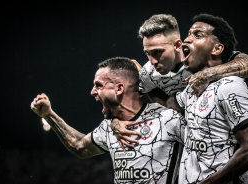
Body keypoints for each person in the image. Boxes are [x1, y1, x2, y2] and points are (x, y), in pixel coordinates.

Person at [111, 14, 248, 153]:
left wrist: (207, 73)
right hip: (188, 136)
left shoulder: (200, 59)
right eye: (148, 53)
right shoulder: (147, 74)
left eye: (158, 52)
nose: (152, 61)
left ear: (178, 45)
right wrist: (115, 123)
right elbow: (123, 106)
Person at [30, 57, 188, 184]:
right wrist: (48, 115)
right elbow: (79, 147)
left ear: (119, 89)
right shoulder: (108, 126)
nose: (92, 92)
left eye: (98, 85)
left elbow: (207, 153)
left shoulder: (166, 118)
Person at [171, 13, 248, 183]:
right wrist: (142, 83)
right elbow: (169, 104)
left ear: (217, 49)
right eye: (189, 34)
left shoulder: (230, 85)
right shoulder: (193, 86)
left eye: (198, 35)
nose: (187, 39)